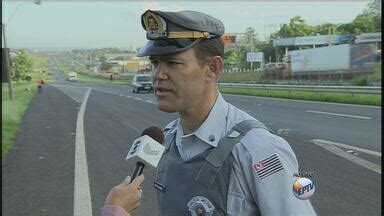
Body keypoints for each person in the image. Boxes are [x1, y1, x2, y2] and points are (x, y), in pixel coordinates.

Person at [136, 9, 317, 216]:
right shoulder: (167, 139)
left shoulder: (260, 150)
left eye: (173, 63)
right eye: (155, 63)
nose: (158, 74)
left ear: (212, 68)